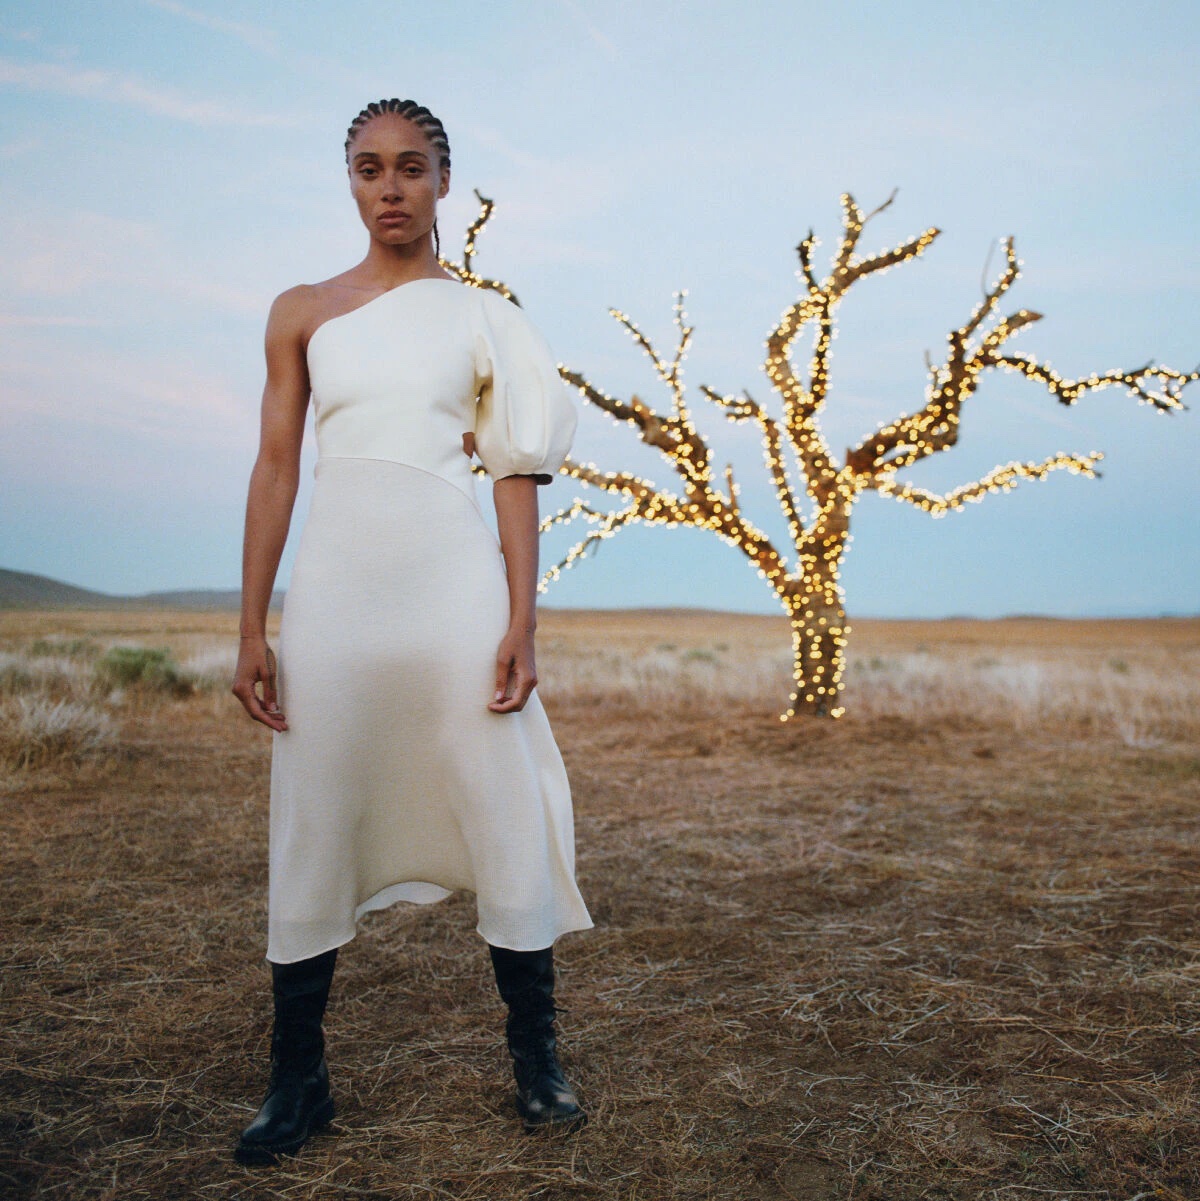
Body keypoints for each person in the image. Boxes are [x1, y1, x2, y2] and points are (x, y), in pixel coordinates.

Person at [230, 97, 593, 1167]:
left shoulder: (486, 317)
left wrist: (522, 617)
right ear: (348, 179)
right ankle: (299, 1080)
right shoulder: (299, 311)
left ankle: (538, 1059)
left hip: (453, 598)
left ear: (444, 180)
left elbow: (515, 473)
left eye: (411, 168)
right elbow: (277, 468)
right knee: (315, 813)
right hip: (336, 601)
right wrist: (252, 623)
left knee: (501, 803)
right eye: (368, 167)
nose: (389, 187)